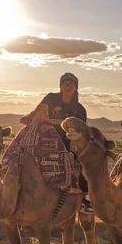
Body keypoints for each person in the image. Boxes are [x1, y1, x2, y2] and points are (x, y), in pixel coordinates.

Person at [20, 72, 92, 212]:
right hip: (45, 139)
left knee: (84, 160)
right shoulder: (51, 98)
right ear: (60, 86)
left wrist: (49, 121)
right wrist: (29, 116)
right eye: (64, 83)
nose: (67, 86)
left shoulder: (80, 109)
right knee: (21, 154)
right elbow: (39, 109)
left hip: (68, 140)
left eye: (70, 83)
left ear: (76, 88)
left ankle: (85, 199)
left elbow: (74, 124)